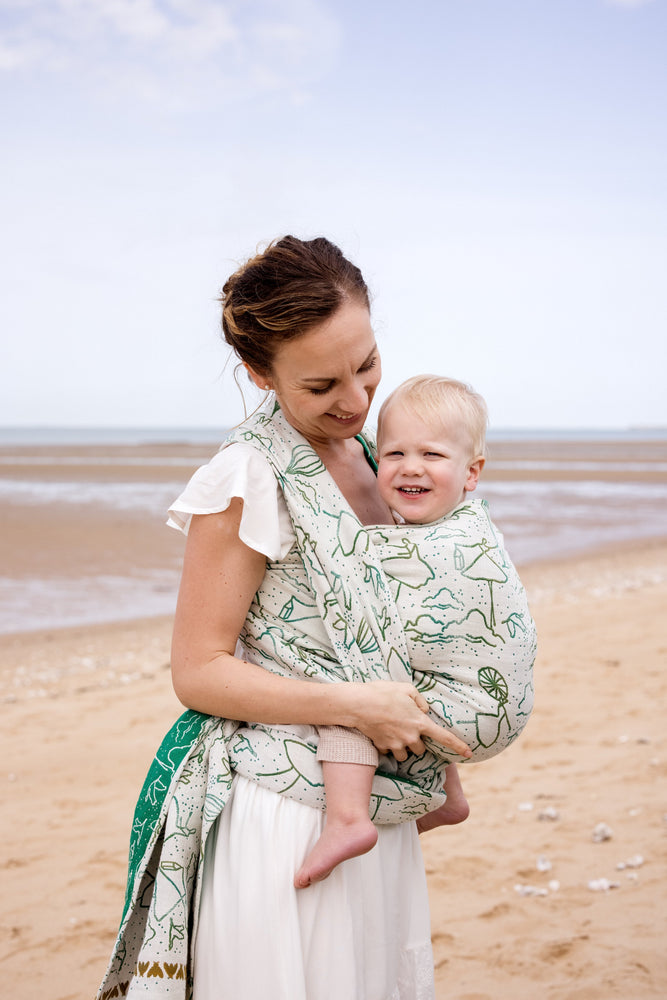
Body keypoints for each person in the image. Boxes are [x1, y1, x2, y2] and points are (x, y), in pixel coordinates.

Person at [97, 236, 472, 1000]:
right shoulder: (247, 475)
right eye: (321, 384)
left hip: (375, 801)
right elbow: (197, 670)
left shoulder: (376, 457)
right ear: (259, 376)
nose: (357, 399)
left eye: (366, 364)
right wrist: (356, 704)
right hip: (287, 816)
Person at [296, 375, 536, 888]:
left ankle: (347, 819)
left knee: (353, 689)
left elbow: (349, 562)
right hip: (497, 707)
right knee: (427, 668)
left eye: (431, 454)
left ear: (472, 473)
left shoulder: (429, 546)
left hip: (474, 713)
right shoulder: (474, 523)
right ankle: (449, 796)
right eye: (394, 453)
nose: (410, 467)